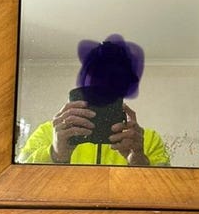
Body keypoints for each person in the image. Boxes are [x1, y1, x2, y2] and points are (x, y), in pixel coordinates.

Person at [18, 34, 170, 166]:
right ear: (84, 82)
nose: (104, 85)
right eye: (96, 75)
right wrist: (56, 154)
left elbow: (167, 187)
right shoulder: (50, 132)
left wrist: (138, 160)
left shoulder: (146, 140)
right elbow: (17, 180)